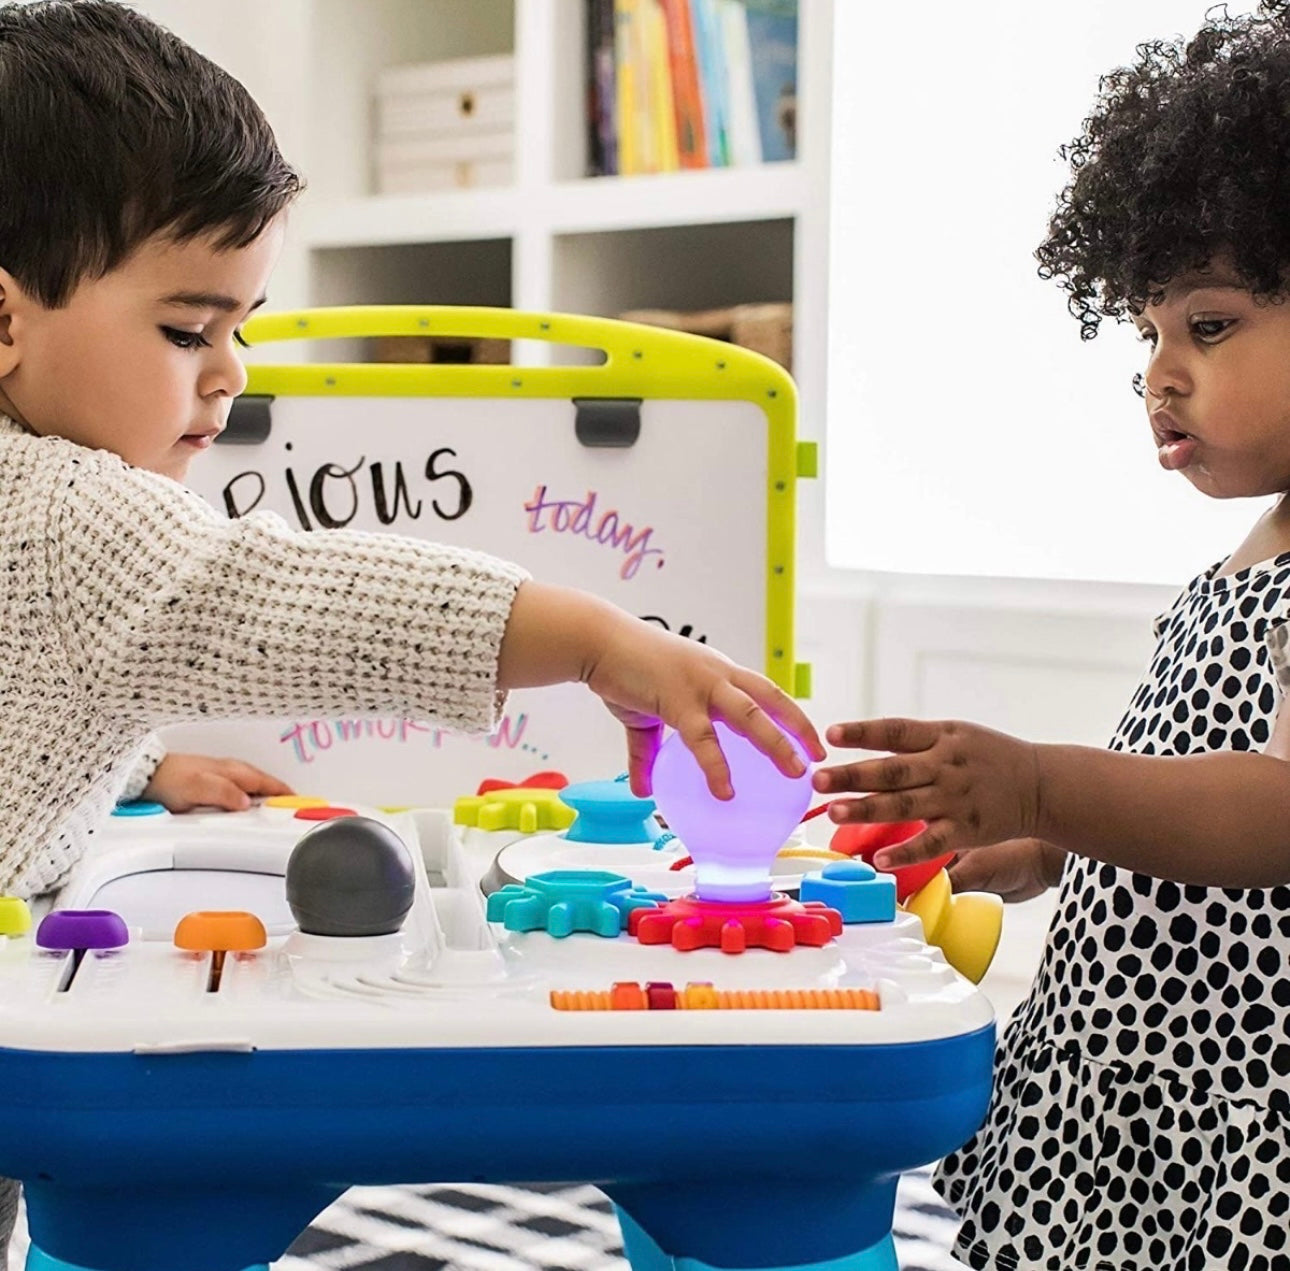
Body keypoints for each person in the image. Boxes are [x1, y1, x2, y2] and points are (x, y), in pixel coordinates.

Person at [0, 0, 824, 1256]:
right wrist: (596, 637)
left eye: (242, 325)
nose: (228, 374)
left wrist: (138, 762)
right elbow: (307, 602)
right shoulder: (68, 507)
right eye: (187, 329)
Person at [814, 5, 1290, 1268]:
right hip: (1134, 1075)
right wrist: (1025, 839)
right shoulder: (1247, 557)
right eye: (1147, 335)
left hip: (1228, 1111)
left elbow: (1276, 814)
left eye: (1210, 325)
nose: (1159, 374)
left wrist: (1037, 776)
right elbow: (1176, 809)